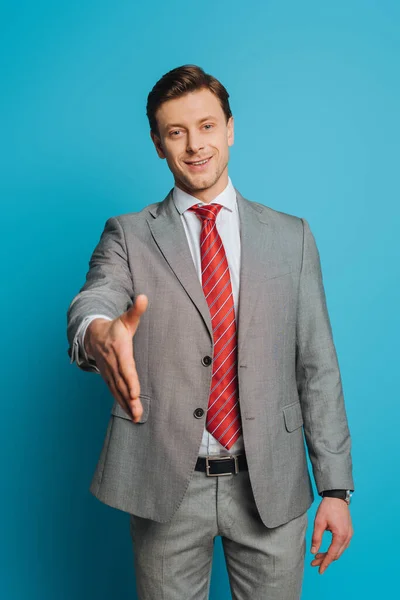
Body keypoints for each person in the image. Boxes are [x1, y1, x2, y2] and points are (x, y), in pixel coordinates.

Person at [67, 64, 355, 600]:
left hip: (270, 482)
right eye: (176, 132)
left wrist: (335, 488)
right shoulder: (129, 234)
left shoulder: (291, 237)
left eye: (206, 126)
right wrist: (96, 330)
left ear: (229, 128)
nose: (195, 145)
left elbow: (318, 366)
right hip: (166, 485)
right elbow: (97, 296)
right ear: (157, 143)